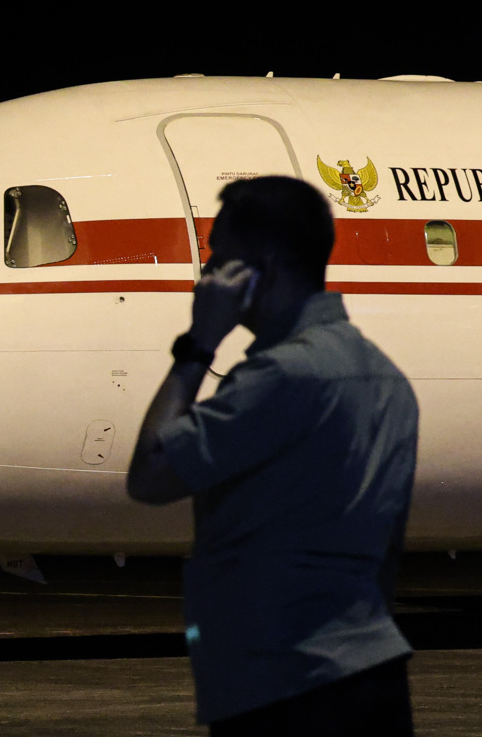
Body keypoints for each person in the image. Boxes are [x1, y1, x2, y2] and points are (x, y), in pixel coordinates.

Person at [127, 176, 418, 735]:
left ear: (259, 265)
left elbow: (152, 474)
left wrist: (198, 345)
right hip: (371, 671)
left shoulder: (280, 377)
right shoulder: (386, 378)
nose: (207, 275)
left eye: (219, 256)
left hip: (284, 683)